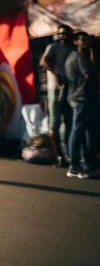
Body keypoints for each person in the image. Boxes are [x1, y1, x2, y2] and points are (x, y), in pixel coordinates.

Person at [64, 31, 99, 179]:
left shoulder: (71, 57)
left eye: (87, 40)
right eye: (83, 40)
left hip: (76, 97)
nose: (86, 42)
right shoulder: (81, 56)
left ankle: (83, 165)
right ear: (75, 42)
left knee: (83, 132)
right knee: (82, 133)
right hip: (83, 97)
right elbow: (89, 73)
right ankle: (77, 166)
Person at [39, 24, 74, 167]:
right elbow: (43, 62)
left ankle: (71, 156)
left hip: (70, 89)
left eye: (66, 33)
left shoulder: (73, 49)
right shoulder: (53, 47)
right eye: (61, 33)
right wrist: (55, 74)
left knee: (70, 123)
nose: (63, 36)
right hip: (55, 88)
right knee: (54, 123)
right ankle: (59, 156)